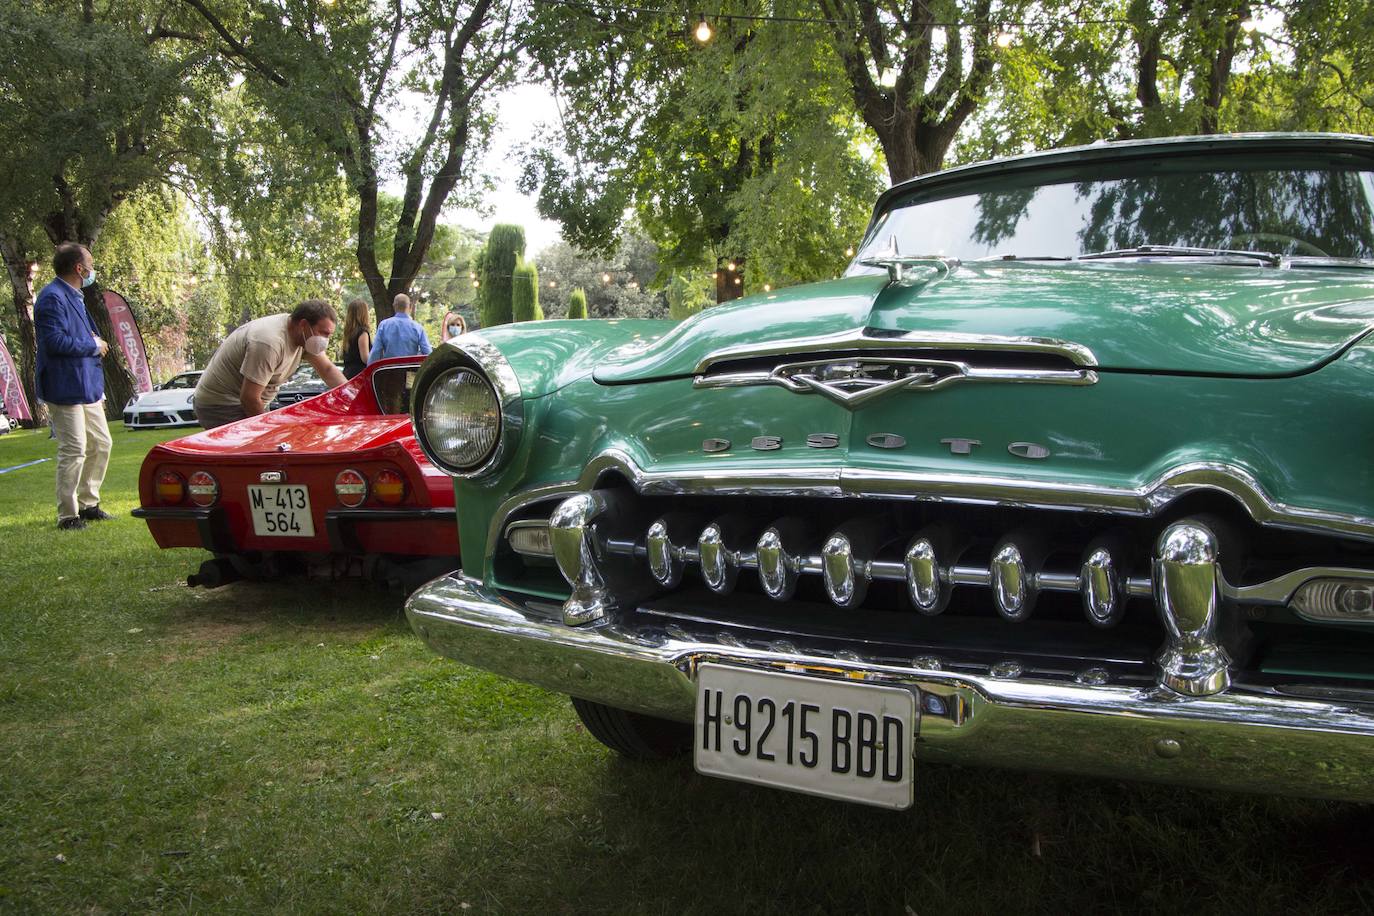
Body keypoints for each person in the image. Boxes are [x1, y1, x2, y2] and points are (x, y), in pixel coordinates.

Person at [35, 242, 113, 531]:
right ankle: (68, 515)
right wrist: (92, 345)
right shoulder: (51, 298)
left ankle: (88, 503)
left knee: (102, 443)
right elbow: (54, 343)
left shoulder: (75, 297)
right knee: (74, 448)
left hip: (86, 386)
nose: (93, 269)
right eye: (90, 264)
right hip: (64, 385)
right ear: (79, 268)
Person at [193, 299, 346, 430]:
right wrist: (269, 432)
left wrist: (352, 395)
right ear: (304, 325)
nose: (326, 340)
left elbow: (327, 370)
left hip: (248, 401)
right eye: (324, 333)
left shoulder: (304, 337)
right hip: (220, 405)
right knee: (260, 454)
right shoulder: (269, 342)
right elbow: (249, 399)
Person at [368, 293, 432, 363]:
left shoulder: (384, 325)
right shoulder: (418, 328)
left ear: (394, 306)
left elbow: (376, 352)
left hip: (388, 370)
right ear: (410, 306)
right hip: (409, 370)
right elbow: (427, 353)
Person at [341, 298, 372, 379]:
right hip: (359, 376)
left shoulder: (348, 333)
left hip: (347, 374)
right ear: (364, 314)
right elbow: (365, 359)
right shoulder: (362, 332)